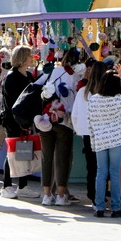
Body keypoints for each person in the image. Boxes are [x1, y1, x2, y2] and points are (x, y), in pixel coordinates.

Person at [86, 62, 121, 218]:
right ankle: (116, 208)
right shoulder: (120, 99)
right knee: (115, 174)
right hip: (116, 140)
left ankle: (100, 207)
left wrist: (93, 143)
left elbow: (91, 122)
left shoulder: (94, 100)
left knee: (101, 173)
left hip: (101, 140)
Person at [35, 48, 83, 206]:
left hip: (46, 119)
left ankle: (47, 195)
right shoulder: (76, 75)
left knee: (46, 158)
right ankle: (61, 194)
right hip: (64, 121)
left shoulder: (52, 72)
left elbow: (36, 86)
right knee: (62, 158)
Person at [0, 45, 40, 199]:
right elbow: (11, 102)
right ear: (23, 58)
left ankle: (22, 185)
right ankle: (6, 185)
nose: (32, 58)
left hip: (26, 120)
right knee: (12, 152)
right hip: (13, 119)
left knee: (25, 151)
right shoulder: (11, 77)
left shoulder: (28, 76)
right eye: (29, 56)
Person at [72, 60, 98, 203]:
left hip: (87, 132)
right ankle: (96, 193)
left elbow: (75, 114)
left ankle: (92, 192)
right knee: (101, 166)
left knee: (91, 164)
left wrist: (80, 130)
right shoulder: (103, 92)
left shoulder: (83, 90)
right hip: (101, 133)